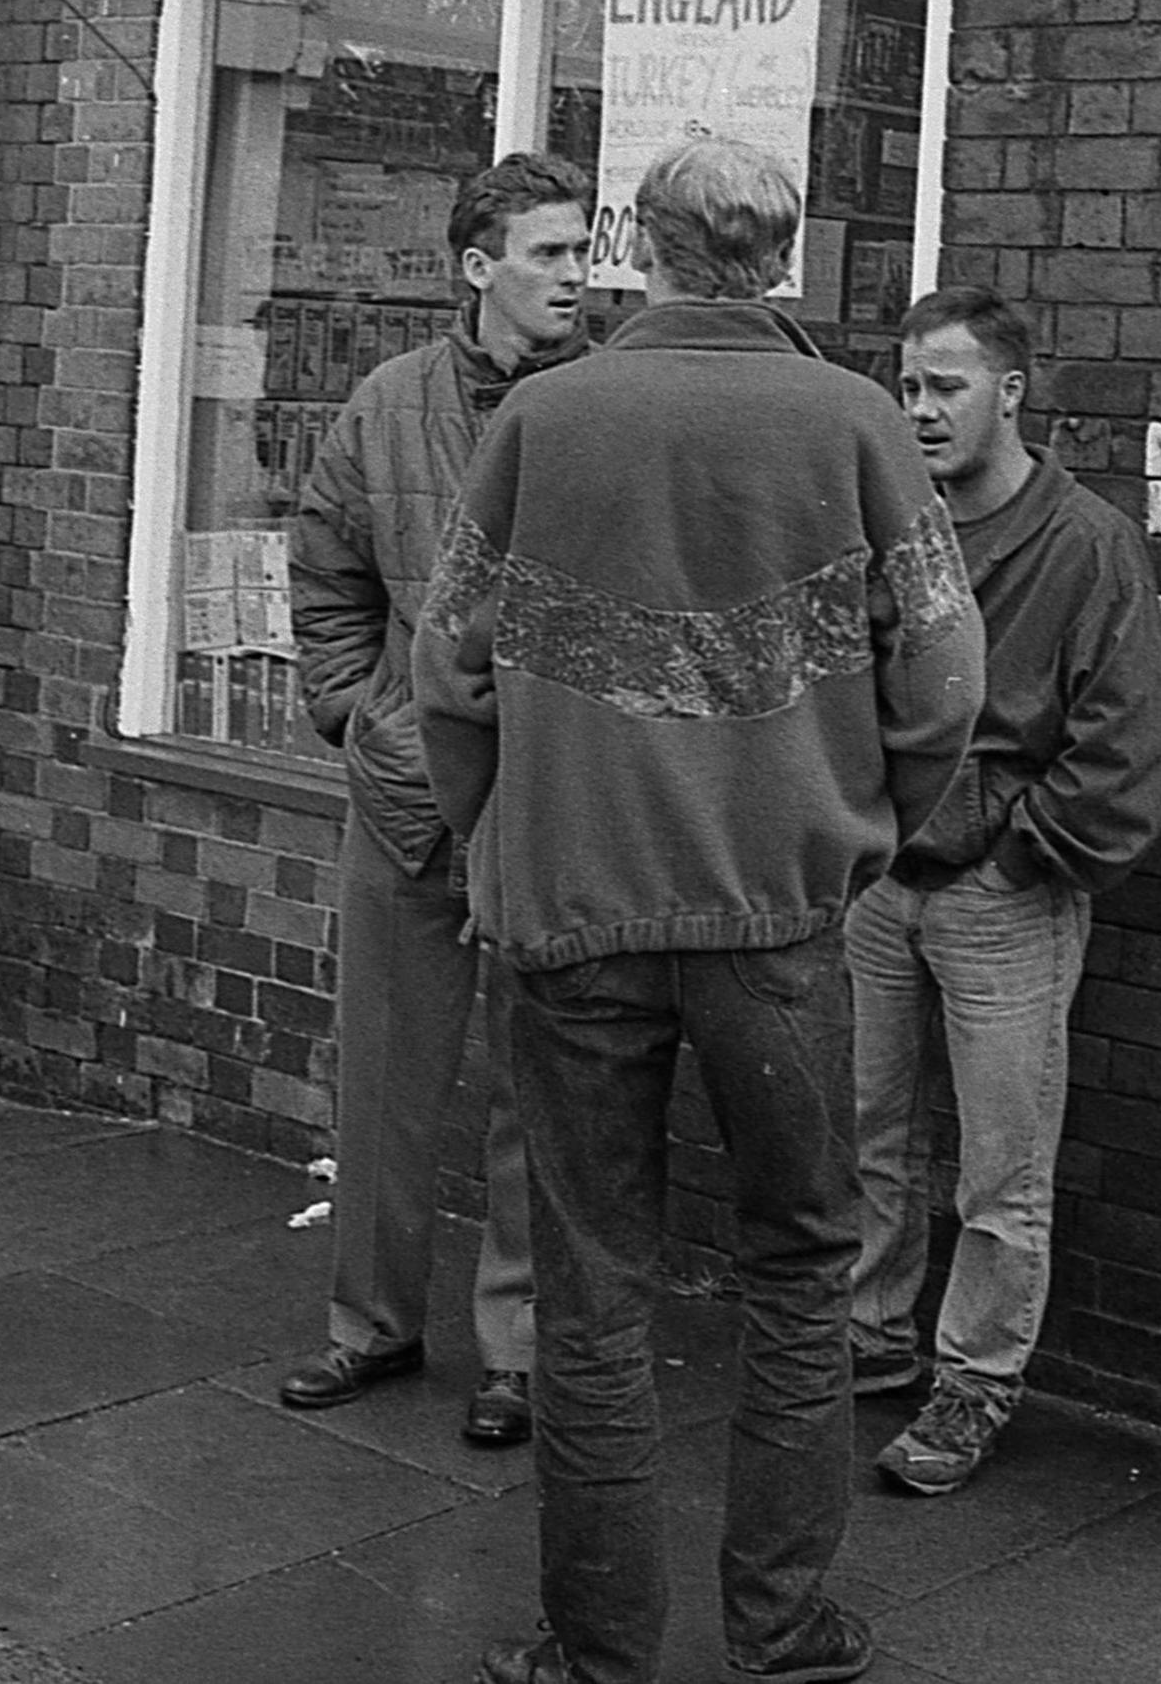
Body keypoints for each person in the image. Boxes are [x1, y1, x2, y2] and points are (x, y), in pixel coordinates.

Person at [416, 139, 981, 1684]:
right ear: (778, 258)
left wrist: (501, 834)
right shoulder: (860, 421)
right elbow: (943, 674)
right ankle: (783, 1635)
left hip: (571, 916)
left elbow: (448, 665)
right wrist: (863, 835)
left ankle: (598, 1652)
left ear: (637, 251)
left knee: (593, 1282)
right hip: (782, 928)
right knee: (801, 1269)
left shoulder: (541, 413)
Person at [279, 152, 594, 1445]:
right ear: (478, 266)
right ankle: (371, 1322)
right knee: (385, 1080)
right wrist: (360, 707)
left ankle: (516, 1353)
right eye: (551, 253)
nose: (578, 275)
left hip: (554, 794)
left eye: (584, 251)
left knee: (541, 1087)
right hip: (407, 788)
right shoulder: (389, 402)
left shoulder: (606, 401)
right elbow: (325, 562)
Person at [850, 286, 1161, 1497]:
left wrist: (1019, 850)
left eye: (947, 385)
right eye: (910, 384)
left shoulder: (1085, 543)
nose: (921, 408)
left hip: (1006, 895)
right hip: (881, 877)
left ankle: (974, 1377)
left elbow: (1126, 744)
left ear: (1012, 392)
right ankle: (870, 1331)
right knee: (868, 1127)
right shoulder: (900, 526)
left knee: (1002, 1166)